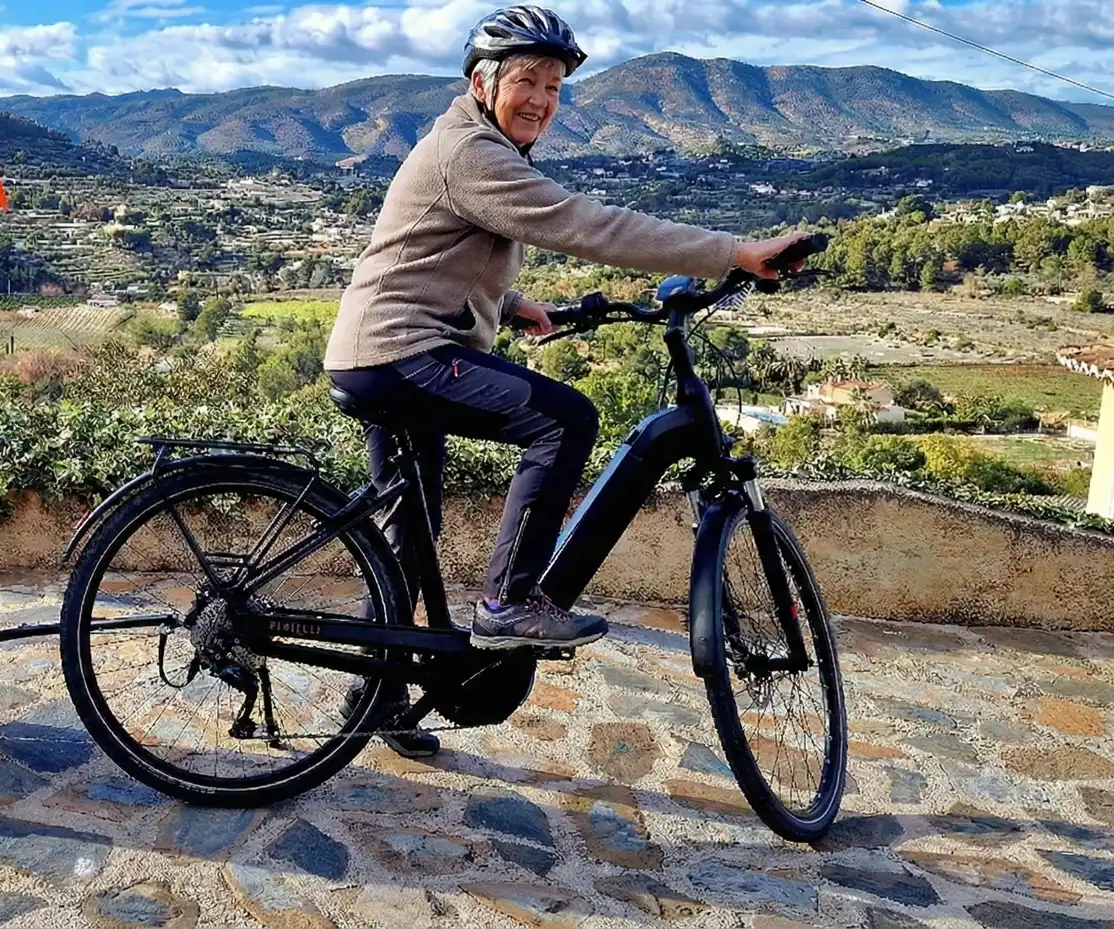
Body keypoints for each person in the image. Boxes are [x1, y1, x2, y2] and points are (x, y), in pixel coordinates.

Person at [325, 5, 810, 757]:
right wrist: (734, 252)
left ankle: (377, 694)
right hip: (402, 352)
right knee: (565, 420)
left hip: (383, 346)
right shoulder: (472, 153)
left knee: (408, 534)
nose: (543, 101)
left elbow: (423, 251)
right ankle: (507, 603)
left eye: (554, 87)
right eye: (528, 81)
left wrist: (514, 305)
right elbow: (591, 226)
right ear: (483, 83)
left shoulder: (472, 144)